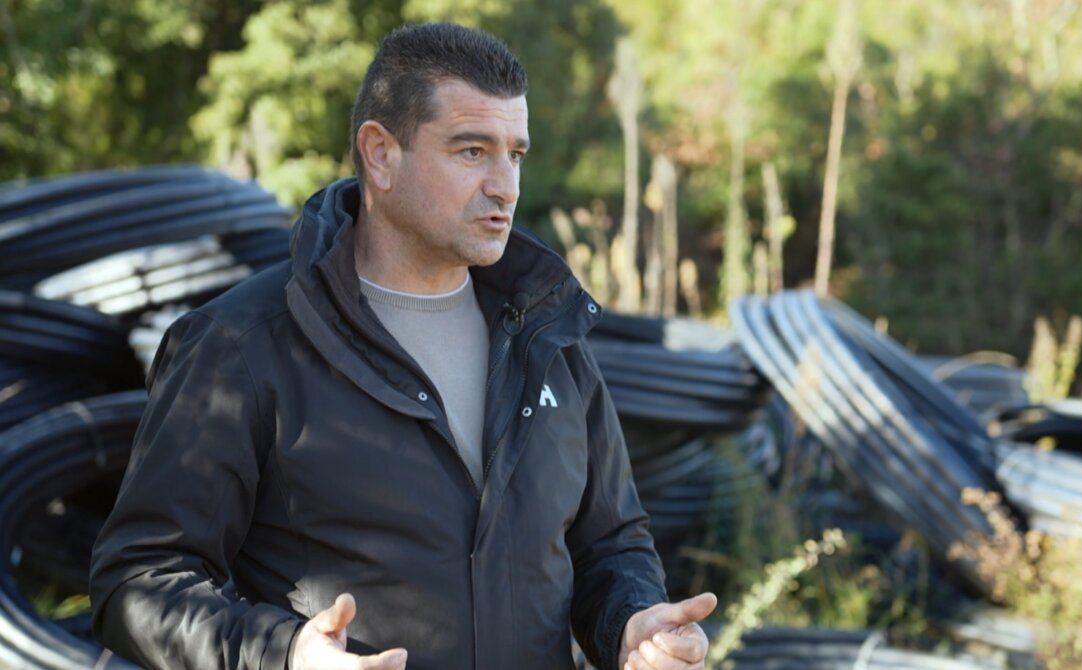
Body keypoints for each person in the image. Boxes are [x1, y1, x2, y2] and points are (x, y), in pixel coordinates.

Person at [89, 21, 717, 670]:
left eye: (516, 154)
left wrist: (632, 625)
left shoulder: (547, 336)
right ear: (381, 154)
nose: (505, 185)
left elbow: (609, 546)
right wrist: (286, 655)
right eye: (472, 151)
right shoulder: (241, 347)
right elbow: (137, 582)